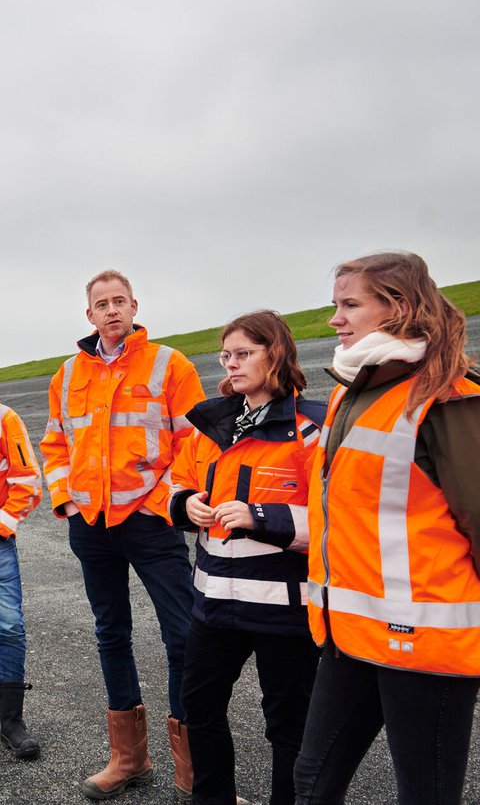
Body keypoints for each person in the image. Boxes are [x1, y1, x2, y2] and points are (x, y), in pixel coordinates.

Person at [293, 251, 480, 805]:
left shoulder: (450, 397)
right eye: (336, 305)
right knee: (312, 782)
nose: (335, 320)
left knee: (425, 795)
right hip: (349, 635)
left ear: (397, 309)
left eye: (350, 305)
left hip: (427, 645)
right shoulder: (349, 393)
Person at [40, 269, 205, 801]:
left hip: (150, 523)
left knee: (182, 636)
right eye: (101, 304)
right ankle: (128, 758)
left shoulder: (169, 364)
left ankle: (194, 768)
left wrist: (162, 503)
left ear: (134, 307)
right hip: (91, 526)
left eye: (119, 301)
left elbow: (193, 443)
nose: (111, 310)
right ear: (89, 315)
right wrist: (66, 498)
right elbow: (55, 444)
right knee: (111, 634)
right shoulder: (66, 375)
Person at [167, 310, 326, 805]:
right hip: (214, 606)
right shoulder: (209, 426)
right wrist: (183, 503)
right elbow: (176, 480)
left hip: (285, 612)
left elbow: (333, 518)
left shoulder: (311, 430)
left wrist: (263, 516)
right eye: (226, 355)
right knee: (199, 709)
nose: (231, 364)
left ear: (274, 354)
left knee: (288, 726)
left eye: (243, 354)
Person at [0, 403, 42, 759]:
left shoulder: (4, 418)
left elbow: (27, 479)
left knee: (9, 627)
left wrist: (1, 526)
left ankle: (10, 720)